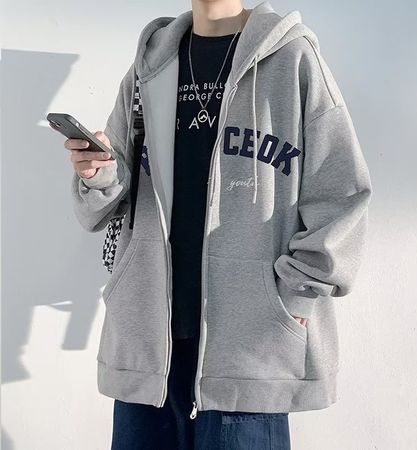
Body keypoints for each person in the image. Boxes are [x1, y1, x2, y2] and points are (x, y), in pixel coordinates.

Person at [60, 0, 372, 448]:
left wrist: (296, 296)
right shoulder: (152, 62)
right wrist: (97, 174)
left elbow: (342, 193)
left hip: (249, 343)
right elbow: (107, 201)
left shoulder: (292, 58)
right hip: (149, 341)